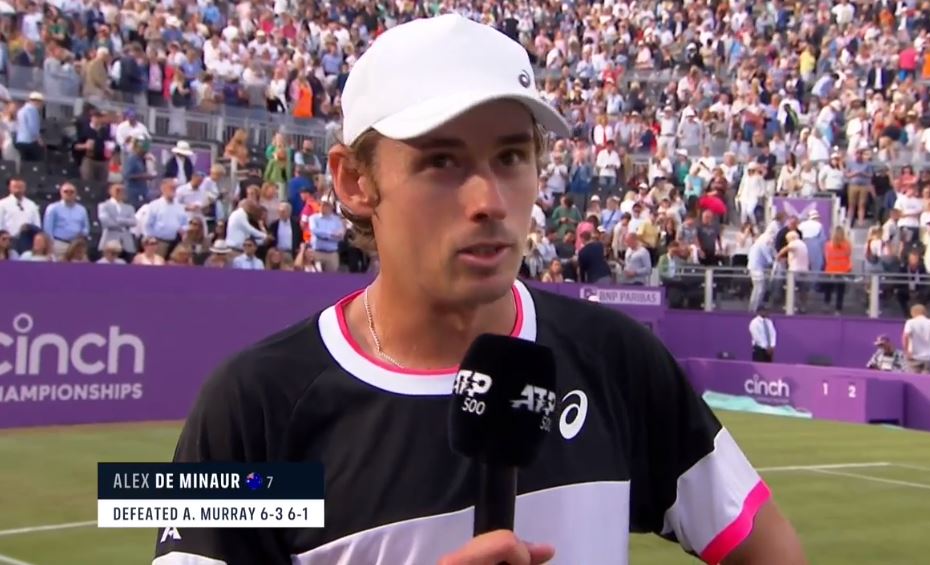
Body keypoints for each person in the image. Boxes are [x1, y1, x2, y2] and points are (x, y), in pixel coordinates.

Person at [154, 15, 804, 565]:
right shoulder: (254, 404)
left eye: (511, 157)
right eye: (441, 161)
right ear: (354, 181)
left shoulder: (616, 360)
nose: (489, 200)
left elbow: (769, 550)